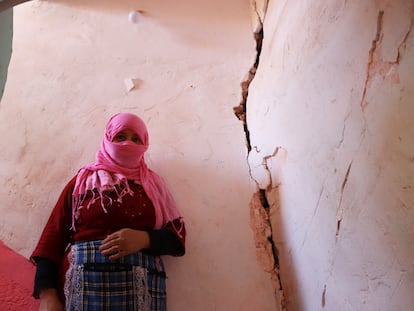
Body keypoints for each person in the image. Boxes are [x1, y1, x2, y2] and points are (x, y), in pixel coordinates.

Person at [30, 112, 186, 311]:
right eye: (120, 136)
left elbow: (176, 239)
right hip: (86, 294)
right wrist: (47, 295)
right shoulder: (82, 182)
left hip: (141, 294)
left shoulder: (154, 186)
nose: (127, 143)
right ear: (108, 139)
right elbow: (52, 238)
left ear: (144, 143)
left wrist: (145, 238)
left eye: (135, 138)